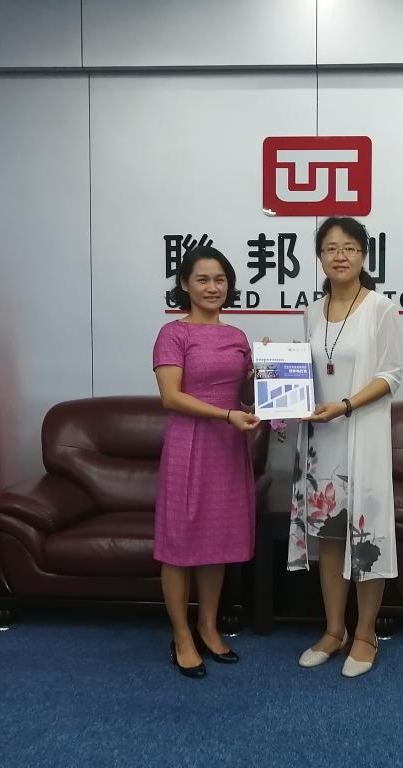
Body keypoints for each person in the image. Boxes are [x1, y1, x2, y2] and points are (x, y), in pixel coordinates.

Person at [288, 216, 403, 678]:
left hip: (362, 436)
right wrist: (275, 372)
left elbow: (391, 375)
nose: (340, 255)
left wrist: (346, 405)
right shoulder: (312, 312)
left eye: (350, 247)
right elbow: (309, 373)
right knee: (330, 537)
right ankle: (334, 630)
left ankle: (365, 634)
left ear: (363, 256)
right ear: (320, 257)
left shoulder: (380, 308)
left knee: (366, 537)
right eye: (331, 248)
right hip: (322, 441)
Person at [152, 245, 260, 679]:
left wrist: (262, 377)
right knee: (179, 546)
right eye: (202, 279)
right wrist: (226, 414)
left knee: (217, 544)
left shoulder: (238, 336)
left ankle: (208, 627)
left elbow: (246, 397)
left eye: (220, 280)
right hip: (189, 446)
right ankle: (181, 636)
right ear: (185, 284)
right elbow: (170, 396)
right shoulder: (172, 333)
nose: (212, 287)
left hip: (228, 449)